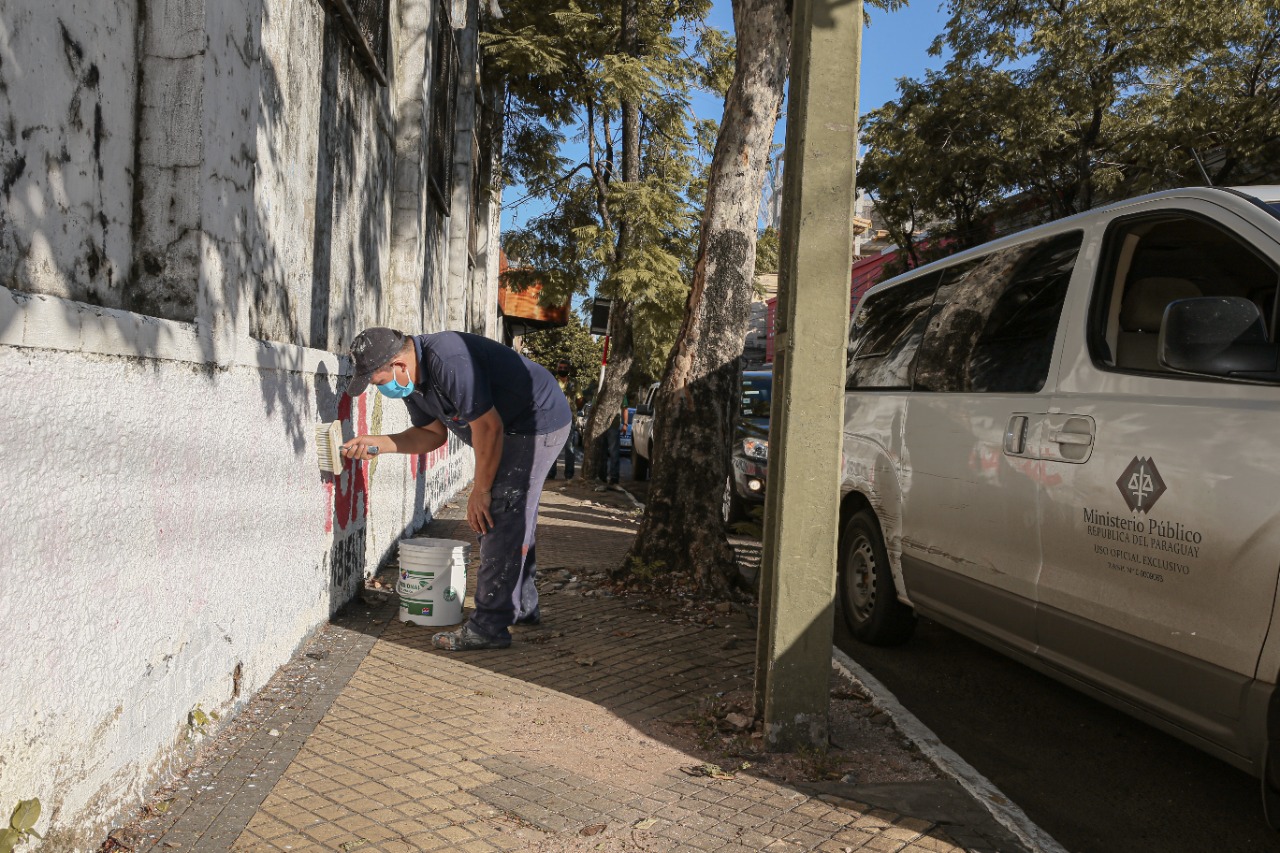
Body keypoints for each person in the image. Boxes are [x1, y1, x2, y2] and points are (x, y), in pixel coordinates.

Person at [340, 327, 571, 651]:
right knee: (512, 516)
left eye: (379, 382)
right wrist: (377, 444)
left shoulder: (448, 359)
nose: (382, 389)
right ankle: (521, 607)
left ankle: (489, 626)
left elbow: (488, 427)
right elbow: (431, 435)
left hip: (535, 422)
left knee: (496, 515)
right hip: (507, 427)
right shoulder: (413, 383)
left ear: (399, 365)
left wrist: (481, 491)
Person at [548, 360, 578, 479]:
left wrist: (573, 408)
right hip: (554, 418)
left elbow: (580, 398)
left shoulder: (574, 383)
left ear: (568, 369)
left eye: (565, 368)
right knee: (552, 447)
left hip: (569, 419)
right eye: (560, 367)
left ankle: (569, 473)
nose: (562, 369)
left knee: (569, 447)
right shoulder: (552, 381)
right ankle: (551, 473)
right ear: (557, 368)